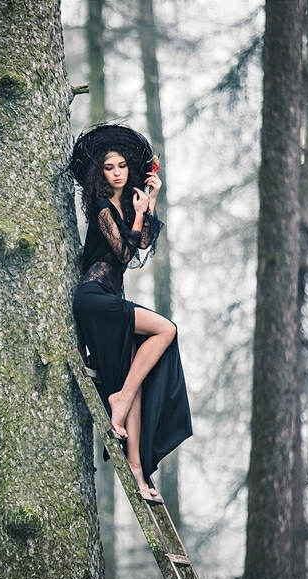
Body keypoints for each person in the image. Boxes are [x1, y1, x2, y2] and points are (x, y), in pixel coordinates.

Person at [68, 123, 191, 498]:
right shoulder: (102, 206)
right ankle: (119, 399)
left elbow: (144, 242)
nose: (118, 172)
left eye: (122, 165)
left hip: (111, 300)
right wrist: (138, 215)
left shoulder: (127, 204)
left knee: (133, 385)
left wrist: (149, 203)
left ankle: (138, 473)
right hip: (94, 299)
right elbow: (124, 253)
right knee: (165, 329)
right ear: (99, 173)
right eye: (109, 167)